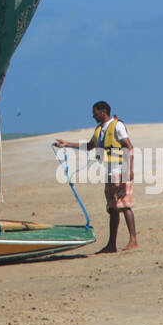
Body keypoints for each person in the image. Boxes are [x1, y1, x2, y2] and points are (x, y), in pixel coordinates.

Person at [55, 101, 137, 253]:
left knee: (125, 205)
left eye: (95, 112)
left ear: (103, 111)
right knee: (113, 208)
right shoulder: (99, 130)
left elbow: (129, 146)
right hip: (109, 172)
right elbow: (89, 146)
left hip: (121, 169)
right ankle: (111, 244)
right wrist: (66, 144)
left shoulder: (117, 126)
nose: (93, 115)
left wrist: (129, 170)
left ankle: (133, 241)